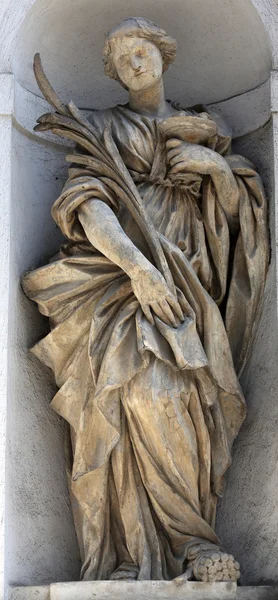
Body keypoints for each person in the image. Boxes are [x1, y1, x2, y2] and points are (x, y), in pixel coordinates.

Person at [23, 17, 269, 583]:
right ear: (112, 73)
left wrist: (216, 170)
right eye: (122, 57)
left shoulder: (207, 129)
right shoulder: (105, 129)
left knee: (188, 403)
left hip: (192, 290)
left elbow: (241, 227)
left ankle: (188, 539)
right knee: (131, 398)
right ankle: (133, 554)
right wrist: (138, 271)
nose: (136, 62)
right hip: (122, 289)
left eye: (143, 51)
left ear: (164, 56)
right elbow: (88, 204)